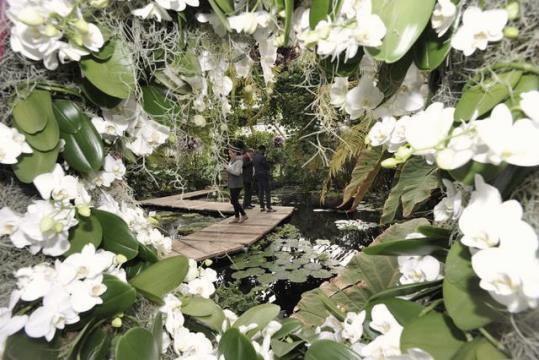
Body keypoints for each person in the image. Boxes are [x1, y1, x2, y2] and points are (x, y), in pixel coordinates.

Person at [226, 148, 248, 223]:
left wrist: (228, 168)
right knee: (234, 201)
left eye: (231, 153)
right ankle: (237, 217)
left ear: (235, 153)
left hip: (237, 184)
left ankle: (243, 215)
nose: (229, 155)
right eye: (229, 153)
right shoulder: (231, 160)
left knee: (234, 201)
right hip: (232, 183)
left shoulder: (239, 161)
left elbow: (237, 173)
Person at [253, 145, 275, 212]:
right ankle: (269, 207)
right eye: (264, 150)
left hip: (257, 175)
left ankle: (262, 207)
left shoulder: (255, 157)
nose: (264, 151)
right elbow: (266, 166)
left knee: (261, 191)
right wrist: (269, 164)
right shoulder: (262, 157)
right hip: (264, 175)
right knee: (267, 191)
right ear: (262, 150)